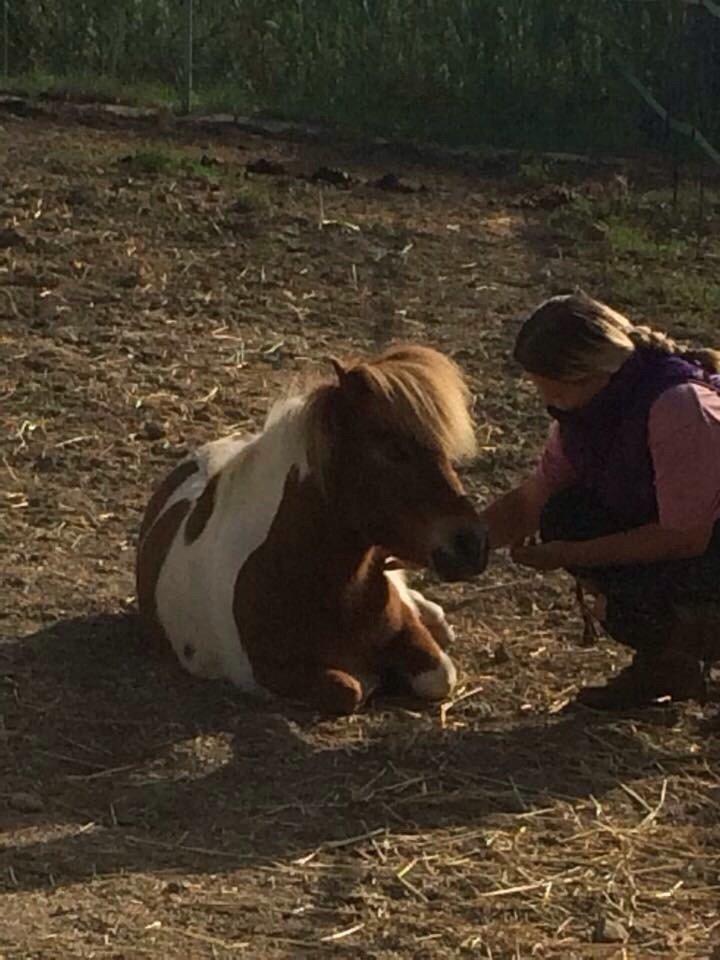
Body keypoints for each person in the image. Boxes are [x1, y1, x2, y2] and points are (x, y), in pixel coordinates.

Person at [483, 291, 720, 710]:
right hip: (688, 537)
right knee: (568, 514)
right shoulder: (586, 415)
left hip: (703, 542)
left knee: (621, 572)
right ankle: (667, 664)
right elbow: (533, 500)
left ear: (587, 373)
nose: (545, 401)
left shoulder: (678, 405)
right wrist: (455, 544)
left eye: (549, 388)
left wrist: (573, 553)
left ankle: (687, 649)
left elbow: (686, 537)